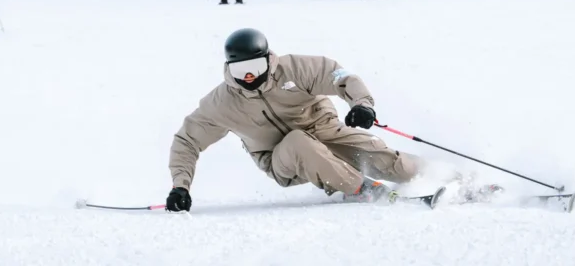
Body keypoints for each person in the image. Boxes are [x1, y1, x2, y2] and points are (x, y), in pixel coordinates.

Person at [164, 28, 422, 212]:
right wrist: (181, 186)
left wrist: (361, 104)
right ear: (229, 68)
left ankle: (453, 180)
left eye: (255, 67)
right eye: (240, 70)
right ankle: (365, 190)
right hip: (282, 159)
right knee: (298, 142)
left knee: (386, 160)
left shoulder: (296, 69)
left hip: (326, 132)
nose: (250, 76)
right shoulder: (222, 103)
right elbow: (187, 141)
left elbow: (340, 77)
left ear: (268, 59)